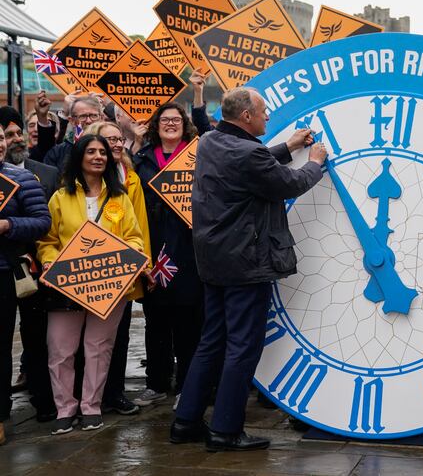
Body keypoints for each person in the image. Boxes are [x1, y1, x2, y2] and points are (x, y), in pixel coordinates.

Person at [170, 87, 327, 451]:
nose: (267, 117)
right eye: (263, 111)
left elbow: (248, 163)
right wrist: (314, 161)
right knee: (242, 346)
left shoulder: (210, 141)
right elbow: (288, 183)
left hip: (213, 260)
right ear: (245, 117)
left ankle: (186, 422)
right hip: (245, 262)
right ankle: (225, 430)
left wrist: (287, 147)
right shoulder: (249, 153)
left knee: (212, 341)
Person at [37, 135, 144, 435]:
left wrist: (132, 253)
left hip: (109, 286)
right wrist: (51, 262)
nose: (98, 156)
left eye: (103, 152)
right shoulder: (60, 197)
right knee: (60, 349)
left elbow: (134, 236)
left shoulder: (119, 198)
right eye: (91, 151)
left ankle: (91, 407)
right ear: (79, 157)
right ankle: (65, 408)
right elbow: (47, 241)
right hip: (67, 285)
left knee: (99, 348)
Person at [132, 104, 205, 409]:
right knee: (156, 319)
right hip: (155, 245)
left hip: (190, 247)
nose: (171, 124)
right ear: (155, 126)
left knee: (189, 319)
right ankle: (156, 382)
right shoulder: (142, 158)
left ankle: (187, 384)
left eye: (176, 119)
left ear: (185, 124)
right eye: (165, 120)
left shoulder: (197, 155)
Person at [83, 121, 152, 415]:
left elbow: (139, 225)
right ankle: (87, 398)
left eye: (117, 139)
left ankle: (114, 392)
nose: (115, 144)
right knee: (86, 339)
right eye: (107, 139)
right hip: (88, 267)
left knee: (119, 335)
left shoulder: (131, 177)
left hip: (122, 267)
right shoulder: (77, 181)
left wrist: (142, 261)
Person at [0, 109, 59, 424]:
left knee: (27, 337)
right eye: (2, 135)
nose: (6, 141)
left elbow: (43, 221)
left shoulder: (30, 175)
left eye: (4, 137)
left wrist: (8, 225)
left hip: (23, 269)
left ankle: (27, 403)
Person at [43, 95, 105, 172]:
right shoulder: (57, 153)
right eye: (83, 116)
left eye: (94, 115)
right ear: (72, 121)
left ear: (102, 118)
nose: (89, 121)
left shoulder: (112, 147)